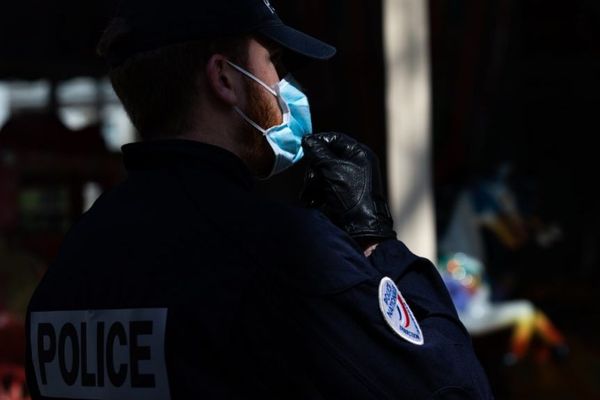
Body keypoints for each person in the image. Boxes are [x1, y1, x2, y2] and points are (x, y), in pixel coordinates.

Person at [25, 0, 494, 399]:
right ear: (224, 79)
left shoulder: (73, 264)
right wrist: (374, 241)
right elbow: (452, 387)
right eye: (275, 61)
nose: (286, 87)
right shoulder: (282, 251)